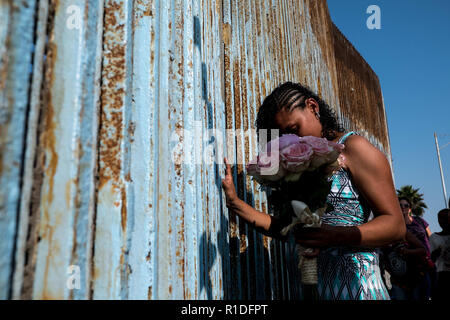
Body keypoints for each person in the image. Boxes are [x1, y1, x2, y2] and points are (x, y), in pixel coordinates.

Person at [221, 82, 405, 300]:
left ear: (312, 107)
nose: (292, 142)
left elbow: (395, 226)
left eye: (293, 130)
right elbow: (288, 229)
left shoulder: (354, 148)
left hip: (358, 290)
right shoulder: (296, 167)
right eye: (282, 139)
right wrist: (234, 202)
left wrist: (334, 235)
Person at [397, 197, 434, 299]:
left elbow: (430, 237)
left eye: (406, 205)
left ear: (410, 208)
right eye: (400, 205)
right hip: (410, 268)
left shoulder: (419, 221)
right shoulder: (398, 226)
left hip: (426, 264)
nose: (403, 207)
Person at [429, 208, 450, 300]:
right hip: (441, 275)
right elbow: (431, 260)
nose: (442, 221)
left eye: (446, 218)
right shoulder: (434, 237)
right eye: (440, 218)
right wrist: (435, 253)